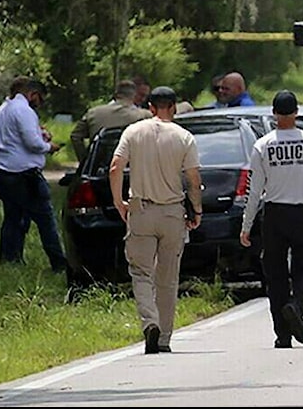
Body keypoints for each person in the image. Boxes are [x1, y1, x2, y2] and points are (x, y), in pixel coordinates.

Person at [240, 90, 303, 349]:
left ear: (274, 114)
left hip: (274, 215)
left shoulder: (263, 145)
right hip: (302, 213)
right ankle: (296, 305)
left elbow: (254, 191)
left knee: (275, 276)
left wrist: (246, 226)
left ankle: (282, 335)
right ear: (296, 113)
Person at [109, 86, 203, 355]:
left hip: (141, 210)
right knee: (168, 276)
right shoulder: (184, 137)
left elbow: (116, 167)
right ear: (173, 107)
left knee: (140, 272)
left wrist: (119, 201)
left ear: (150, 107)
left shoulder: (133, 132)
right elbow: (193, 179)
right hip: (172, 212)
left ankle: (149, 322)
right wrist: (196, 210)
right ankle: (164, 338)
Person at [0, 77, 68, 271]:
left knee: (13, 218)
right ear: (32, 94)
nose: (39, 104)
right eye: (40, 99)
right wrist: (49, 146)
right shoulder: (23, 110)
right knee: (45, 219)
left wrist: (39, 133)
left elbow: (17, 137)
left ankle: (9, 259)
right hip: (25, 175)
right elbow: (32, 144)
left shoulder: (2, 110)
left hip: (5, 172)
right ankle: (59, 263)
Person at [69, 80, 152, 162]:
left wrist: (85, 160)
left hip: (98, 164)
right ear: (133, 96)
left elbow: (75, 136)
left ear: (116, 95)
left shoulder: (93, 113)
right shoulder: (145, 116)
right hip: (130, 164)